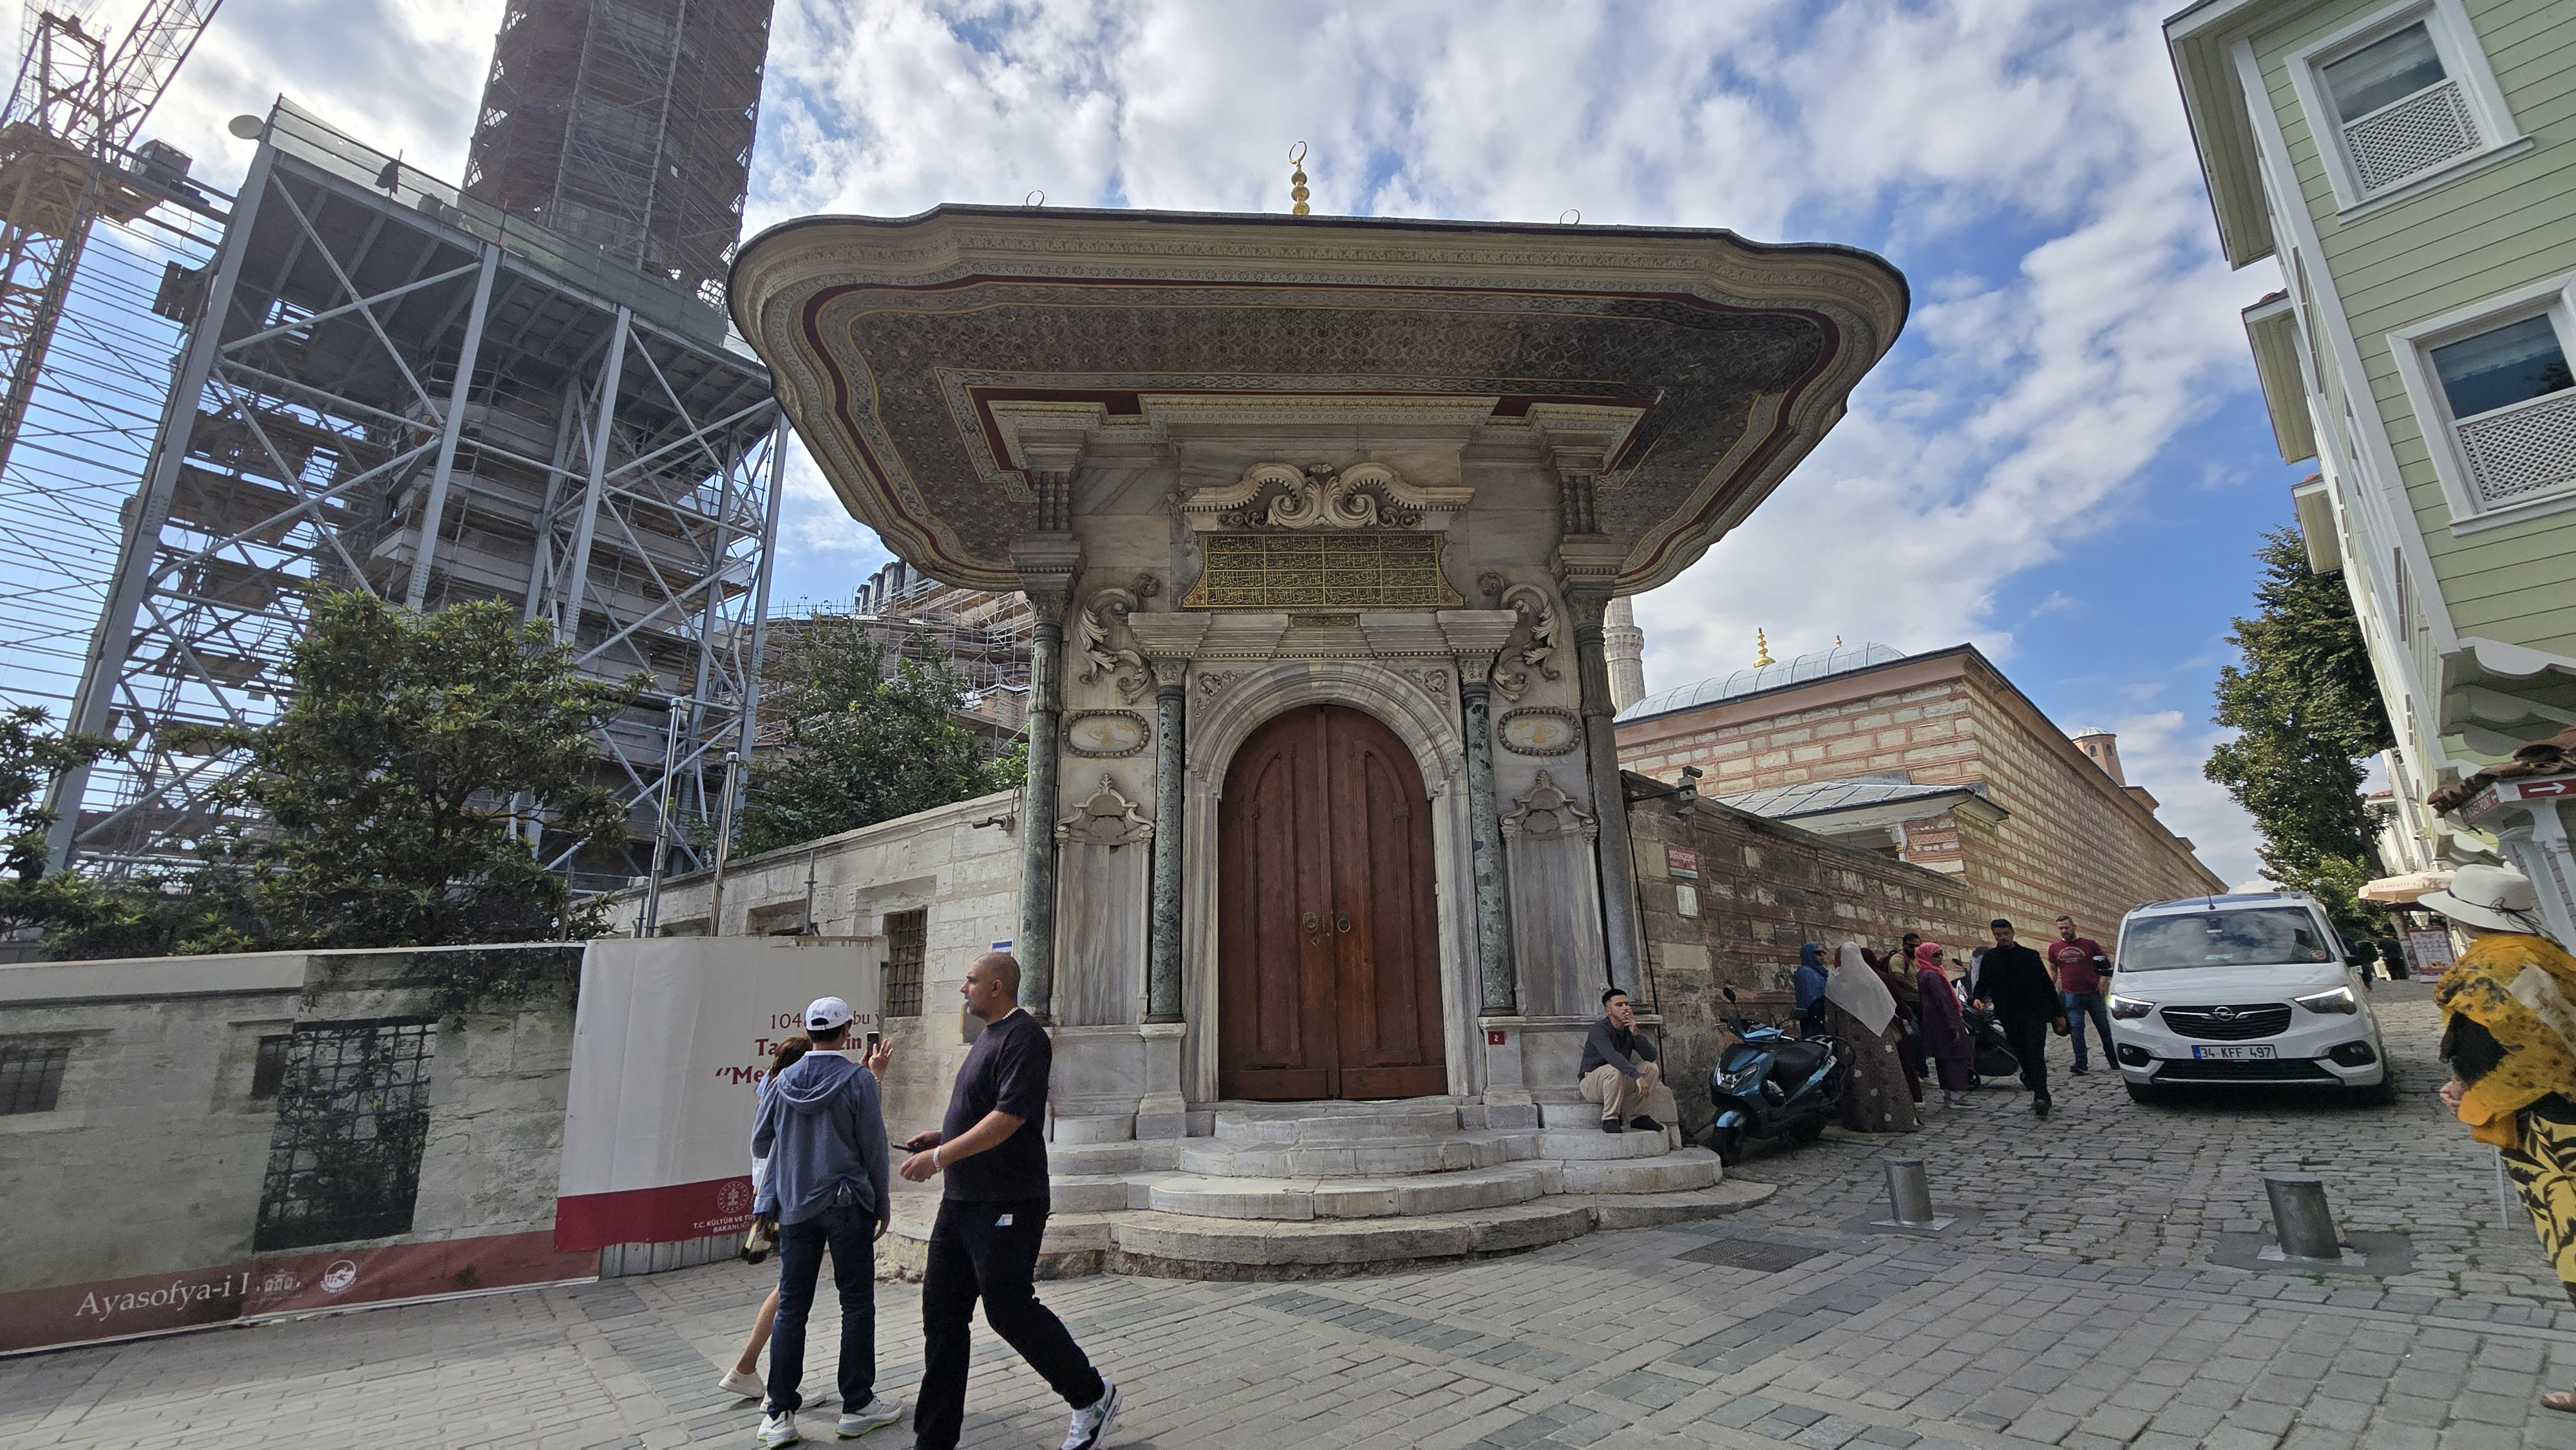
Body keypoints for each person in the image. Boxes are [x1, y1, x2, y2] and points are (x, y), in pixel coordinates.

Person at [898, 953, 1119, 1450]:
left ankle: (1091, 1396)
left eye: (971, 981)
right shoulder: (989, 1037)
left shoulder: (1024, 1037)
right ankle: (934, 1441)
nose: (963, 989)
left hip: (1007, 1199)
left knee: (1008, 1309)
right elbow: (984, 1111)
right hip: (961, 1201)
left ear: (997, 987)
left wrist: (939, 1157)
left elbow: (1009, 1118)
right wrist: (942, 1136)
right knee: (942, 1316)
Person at [2425, 865, 2576, 1412]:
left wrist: (2474, 1093)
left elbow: (2532, 1054)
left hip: (2551, 1131)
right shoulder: (2544, 952)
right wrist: (2467, 1083)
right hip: (2556, 1117)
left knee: (2574, 1250)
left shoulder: (2492, 964)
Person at [749, 998, 901, 1447]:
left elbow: (761, 1141)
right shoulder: (858, 1080)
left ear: (809, 1030)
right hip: (847, 1202)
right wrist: (882, 1204)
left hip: (796, 1205)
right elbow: (874, 1148)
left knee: (793, 1306)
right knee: (856, 1303)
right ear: (847, 1031)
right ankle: (857, 1404)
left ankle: (779, 1414)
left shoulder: (782, 1080)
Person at [720, 1033, 813, 1401]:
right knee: (790, 1289)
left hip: (774, 1197)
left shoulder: (771, 1089)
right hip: (786, 1199)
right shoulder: (788, 1095)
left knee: (790, 1286)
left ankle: (753, 1372)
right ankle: (752, 1373)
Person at [1973, 919, 2067, 1118]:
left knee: (2035, 1054)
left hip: (2034, 1014)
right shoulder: (1991, 958)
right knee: (2022, 1055)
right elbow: (1983, 982)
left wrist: (2059, 1014)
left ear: (2013, 932)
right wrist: (1976, 998)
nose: (2003, 937)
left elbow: (2046, 985)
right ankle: (2038, 1087)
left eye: (2005, 933)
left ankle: (2040, 1096)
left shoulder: (2030, 956)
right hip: (2009, 1015)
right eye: (1998, 935)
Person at [1825, 941, 1918, 1133]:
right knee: (1886, 1075)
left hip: (1851, 1039)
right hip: (1879, 1037)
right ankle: (1896, 1119)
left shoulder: (1835, 982)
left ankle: (1865, 1121)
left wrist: (1833, 1036)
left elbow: (1830, 1016)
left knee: (1859, 1078)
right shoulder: (1872, 979)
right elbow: (1889, 1006)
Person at [1581, 987, 1663, 1133]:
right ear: (1608, 1011)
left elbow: (1651, 1056)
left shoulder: (1628, 1029)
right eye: (1619, 1005)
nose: (1626, 1008)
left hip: (1618, 1081)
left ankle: (1640, 1117)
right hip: (1592, 1084)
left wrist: (1636, 1034)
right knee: (1614, 1069)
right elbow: (1611, 1055)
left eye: (1627, 1004)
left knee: (1651, 1068)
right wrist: (1636, 1076)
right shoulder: (1599, 1029)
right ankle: (1610, 1119)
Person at [2047, 914, 2115, 1075]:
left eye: (2066, 927)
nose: (2064, 931)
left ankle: (2114, 1060)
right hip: (2071, 995)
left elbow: (2105, 964)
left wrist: (2103, 981)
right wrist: (2051, 987)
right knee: (2076, 1029)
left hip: (2094, 993)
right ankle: (2081, 1063)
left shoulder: (2090, 945)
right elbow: (2053, 968)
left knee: (2104, 1027)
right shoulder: (2054, 948)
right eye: (2061, 928)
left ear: (2074, 927)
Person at [1914, 943, 1975, 1107]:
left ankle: (1949, 1094)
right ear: (1927, 956)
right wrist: (1954, 1025)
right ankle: (1954, 1096)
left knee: (1944, 1059)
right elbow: (1944, 1001)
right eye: (1936, 955)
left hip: (1934, 1021)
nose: (1940, 958)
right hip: (1944, 1022)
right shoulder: (1933, 975)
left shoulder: (1924, 973)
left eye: (1941, 954)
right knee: (1954, 1057)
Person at [1793, 943, 1831, 1037]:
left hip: (1824, 1014)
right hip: (1813, 1017)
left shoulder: (1821, 972)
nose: (1822, 955)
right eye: (1818, 953)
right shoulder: (1805, 972)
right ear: (1809, 954)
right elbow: (1810, 998)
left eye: (1823, 952)